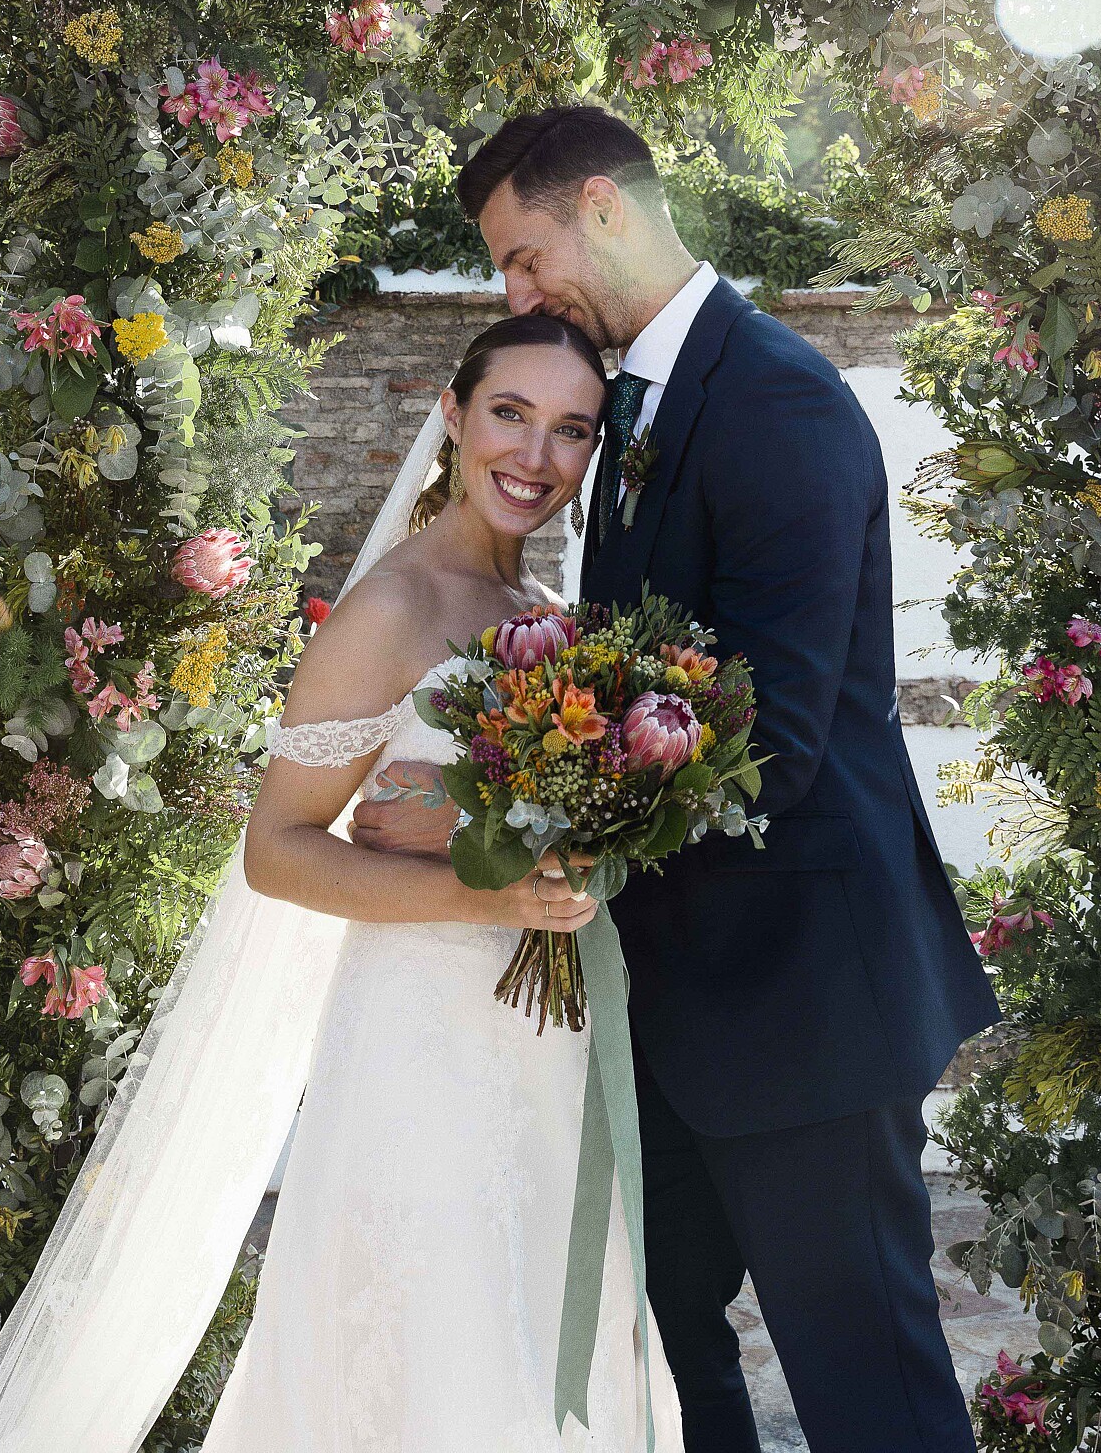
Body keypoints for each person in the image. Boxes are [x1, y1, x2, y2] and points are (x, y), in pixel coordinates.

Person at [353, 106, 1001, 1453]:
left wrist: (508, 820)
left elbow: (776, 735)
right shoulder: (640, 399)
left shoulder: (772, 398)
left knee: (867, 1386)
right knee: (658, 1357)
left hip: (806, 998)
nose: (517, 295)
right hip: (682, 1007)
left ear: (597, 204)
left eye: (524, 258)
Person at [199, 310, 685, 1451]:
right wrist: (488, 896)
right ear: (451, 417)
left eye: (571, 429)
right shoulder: (393, 607)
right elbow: (277, 847)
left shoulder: (552, 619)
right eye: (509, 414)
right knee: (442, 1353)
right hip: (421, 1043)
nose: (535, 455)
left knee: (549, 1338)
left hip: (551, 1049)